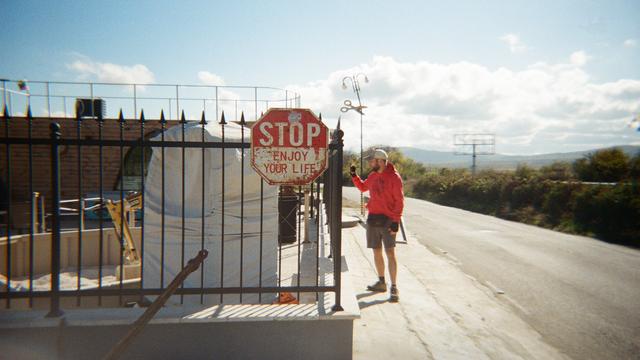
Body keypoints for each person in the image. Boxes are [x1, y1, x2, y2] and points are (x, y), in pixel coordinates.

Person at [350, 149, 404, 302]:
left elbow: (399, 201)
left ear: (380, 161)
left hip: (388, 220)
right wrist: (354, 176)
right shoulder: (373, 176)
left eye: (371, 160)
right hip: (373, 218)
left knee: (390, 253)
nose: (369, 163)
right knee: (376, 252)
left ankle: (394, 287)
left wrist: (395, 221)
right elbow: (362, 187)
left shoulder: (394, 178)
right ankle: (381, 282)